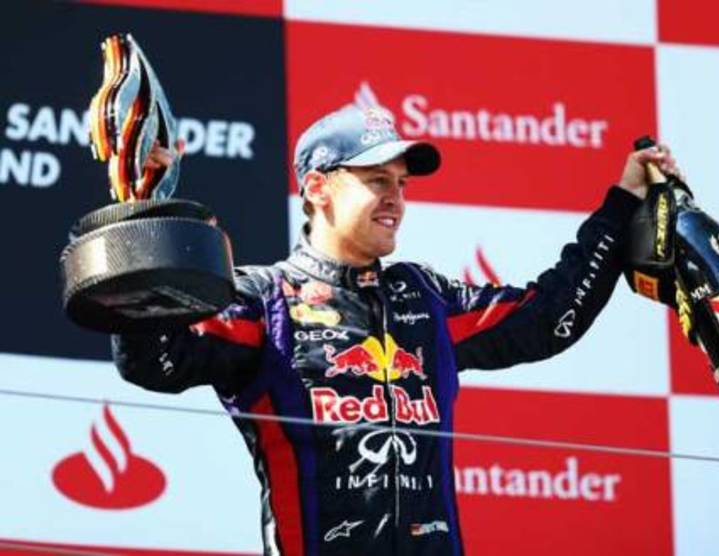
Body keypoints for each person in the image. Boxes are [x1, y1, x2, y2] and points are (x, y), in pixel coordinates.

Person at [113, 105, 682, 556]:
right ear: (317, 188)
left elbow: (547, 320)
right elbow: (155, 362)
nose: (396, 199)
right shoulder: (265, 301)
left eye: (402, 183)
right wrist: (139, 216)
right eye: (377, 180)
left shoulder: (425, 297)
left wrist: (623, 203)